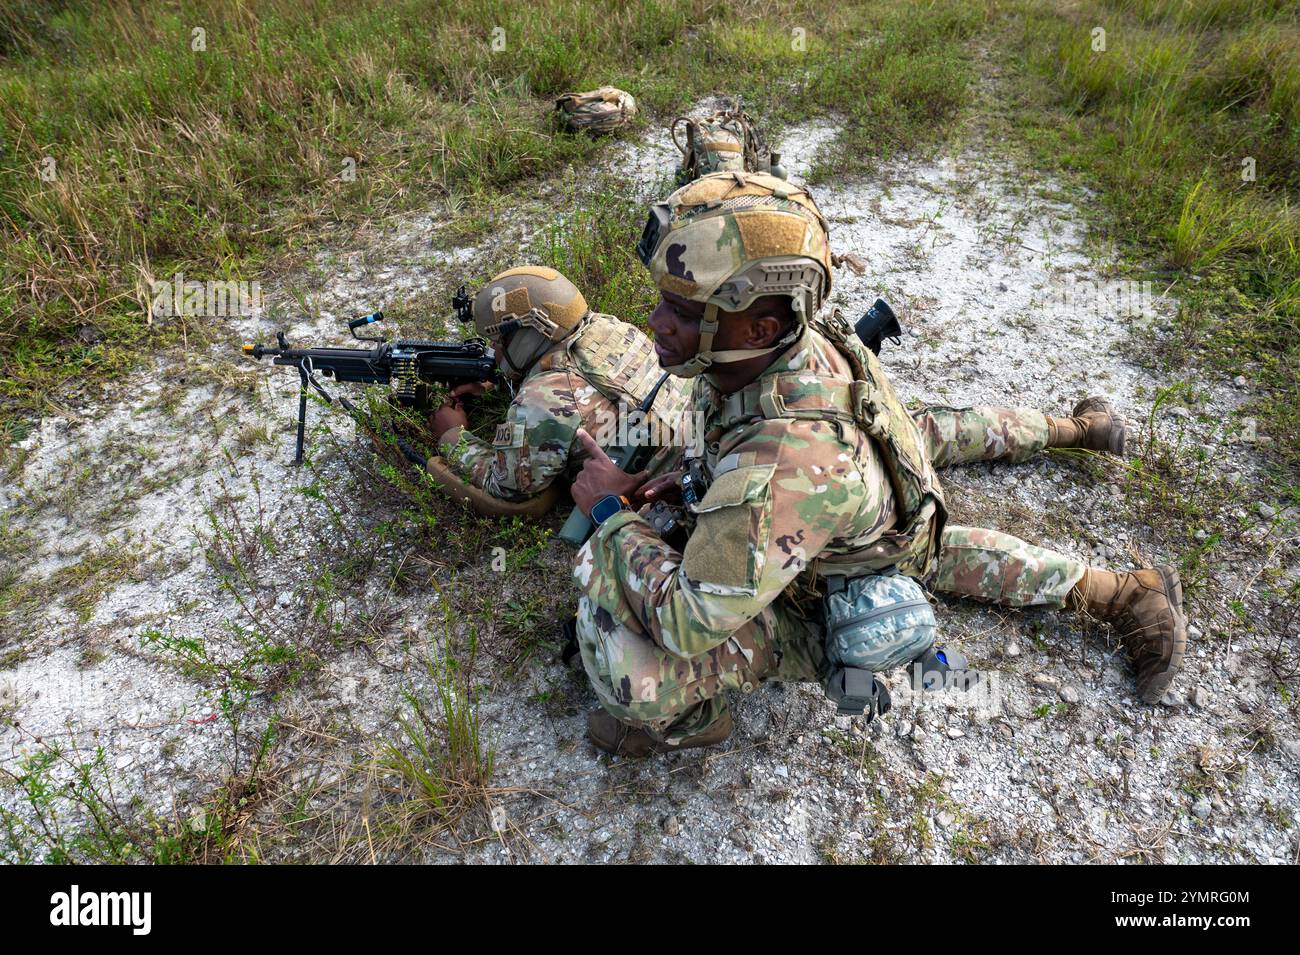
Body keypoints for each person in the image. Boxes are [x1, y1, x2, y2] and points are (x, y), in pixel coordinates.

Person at [568, 171, 1187, 756]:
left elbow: (688, 622)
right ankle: (1084, 462)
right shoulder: (780, 348)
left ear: (757, 327)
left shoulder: (778, 459)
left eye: (682, 310)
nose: (655, 323)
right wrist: (690, 477)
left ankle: (691, 722)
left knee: (631, 669)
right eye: (663, 301)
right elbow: (731, 435)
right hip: (873, 505)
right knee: (934, 464)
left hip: (840, 566)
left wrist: (610, 515)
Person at [424, 266, 690, 515]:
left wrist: (452, 436)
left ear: (532, 332)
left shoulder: (543, 399)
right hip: (694, 455)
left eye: (499, 340)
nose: (493, 351)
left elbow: (507, 485)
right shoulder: (612, 328)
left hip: (668, 501)